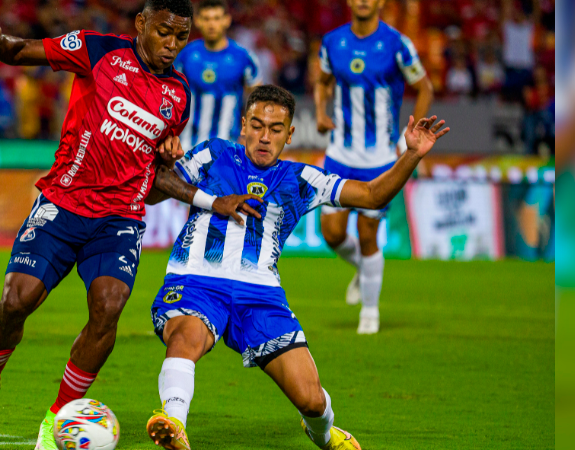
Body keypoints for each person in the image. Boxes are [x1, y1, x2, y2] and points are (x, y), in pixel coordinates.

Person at [0, 2, 252, 449]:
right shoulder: (97, 50)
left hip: (119, 218)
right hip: (63, 201)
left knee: (108, 308)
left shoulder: (178, 96)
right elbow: (19, 51)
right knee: (16, 300)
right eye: (164, 32)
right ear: (141, 24)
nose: (172, 45)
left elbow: (151, 176)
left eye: (181, 37)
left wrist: (189, 181)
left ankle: (59, 416)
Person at [142, 85, 450, 450]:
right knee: (187, 336)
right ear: (243, 126)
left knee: (312, 401)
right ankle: (174, 420)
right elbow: (153, 191)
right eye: (257, 125)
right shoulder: (212, 154)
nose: (264, 137)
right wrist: (165, 163)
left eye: (275, 129)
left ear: (289, 134)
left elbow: (372, 196)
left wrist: (411, 155)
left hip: (261, 294)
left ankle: (323, 433)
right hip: (197, 280)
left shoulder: (301, 180)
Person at [314, 0, 434, 334]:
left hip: (380, 157)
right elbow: (322, 82)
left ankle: (370, 312)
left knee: (368, 234)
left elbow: (424, 87)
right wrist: (321, 111)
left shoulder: (397, 44)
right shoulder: (332, 42)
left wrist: (411, 138)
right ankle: (364, 270)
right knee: (332, 233)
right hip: (340, 153)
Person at [174, 0, 262, 151]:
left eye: (216, 18)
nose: (211, 24)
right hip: (187, 147)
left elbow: (258, 100)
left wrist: (250, 133)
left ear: (227, 20)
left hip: (226, 149)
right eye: (206, 18)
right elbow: (171, 95)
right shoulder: (185, 55)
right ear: (198, 21)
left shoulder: (244, 58)